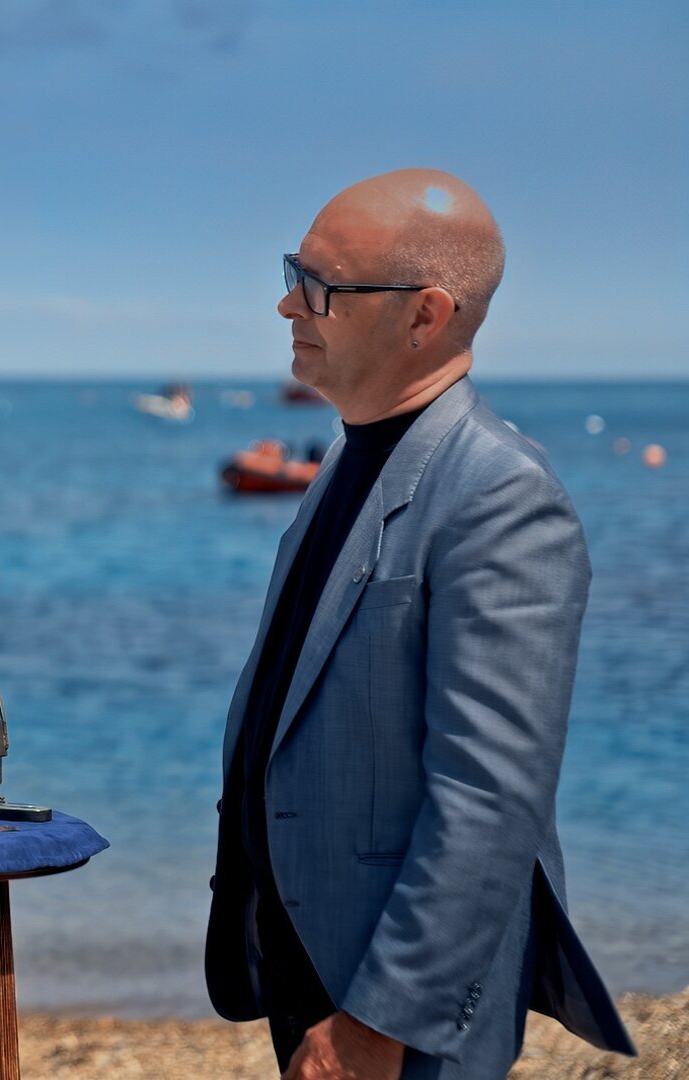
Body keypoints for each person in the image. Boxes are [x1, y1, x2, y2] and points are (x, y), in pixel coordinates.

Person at [204, 169, 636, 1079]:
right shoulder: (347, 461)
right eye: (291, 271)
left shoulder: (499, 494)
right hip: (312, 958)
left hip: (394, 1012)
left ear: (425, 316)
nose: (288, 304)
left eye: (320, 284)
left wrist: (379, 1022)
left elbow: (491, 793)